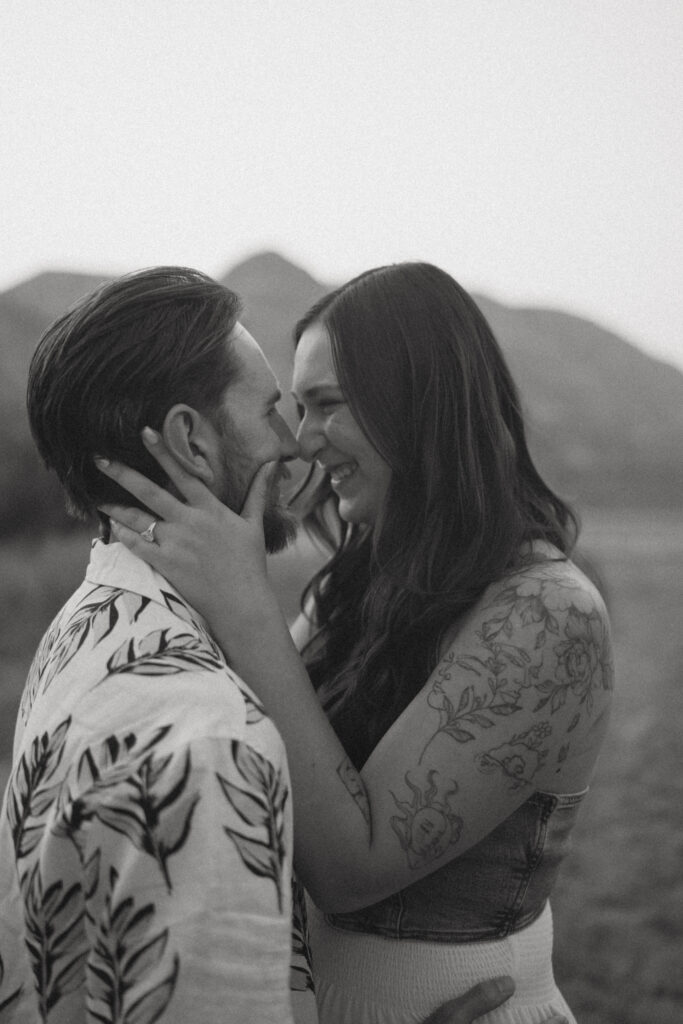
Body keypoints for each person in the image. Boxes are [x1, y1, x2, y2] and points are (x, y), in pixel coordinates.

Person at [0, 267, 558, 1024]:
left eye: (324, 407)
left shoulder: (82, 628)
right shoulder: (210, 743)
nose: (295, 443)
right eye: (277, 409)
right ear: (190, 440)